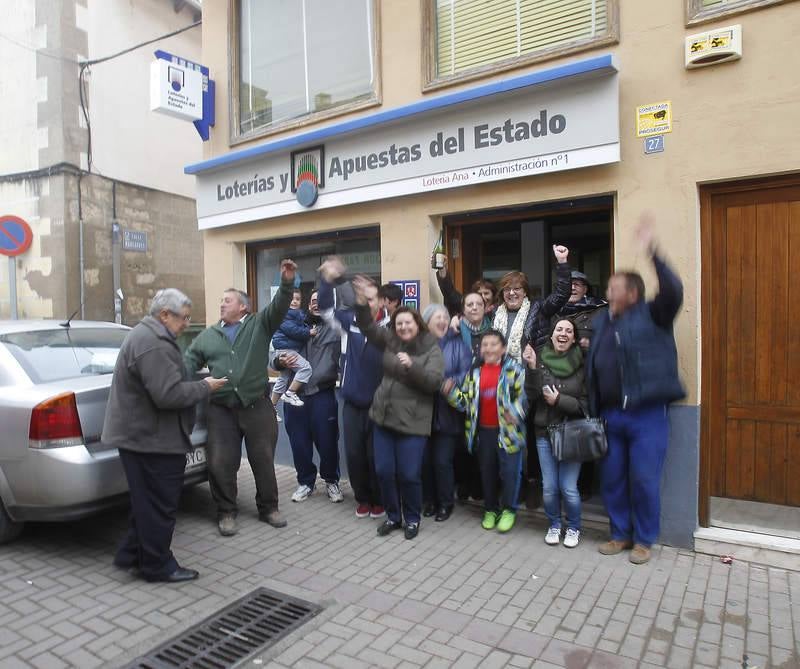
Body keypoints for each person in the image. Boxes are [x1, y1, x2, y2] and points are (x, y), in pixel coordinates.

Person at [104, 289, 227, 583]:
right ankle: (158, 566)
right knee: (161, 504)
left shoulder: (149, 336)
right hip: (151, 441)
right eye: (184, 318)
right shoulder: (152, 343)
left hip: (147, 437)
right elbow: (167, 395)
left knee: (147, 503)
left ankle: (132, 556)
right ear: (164, 315)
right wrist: (205, 387)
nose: (187, 323)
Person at [586, 213, 685, 565]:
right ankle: (619, 534)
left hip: (647, 413)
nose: (608, 291)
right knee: (612, 478)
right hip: (612, 413)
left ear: (633, 292)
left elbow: (673, 289)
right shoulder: (601, 321)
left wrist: (653, 251)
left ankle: (644, 539)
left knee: (643, 478)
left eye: (614, 286)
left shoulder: (655, 313)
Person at [185, 259, 297, 537]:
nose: (222, 305)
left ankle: (269, 508)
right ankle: (225, 512)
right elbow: (186, 364)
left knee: (263, 459)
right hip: (221, 409)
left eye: (227, 300)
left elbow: (280, 305)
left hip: (257, 404)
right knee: (221, 462)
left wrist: (286, 283)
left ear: (243, 307)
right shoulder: (208, 336)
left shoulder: (259, 324)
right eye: (221, 301)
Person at [353, 275, 445, 540]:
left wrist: (411, 366)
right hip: (383, 418)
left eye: (408, 322)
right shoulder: (391, 340)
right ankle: (394, 516)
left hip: (413, 423)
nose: (403, 326)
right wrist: (361, 302)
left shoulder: (431, 349)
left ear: (418, 324)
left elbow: (433, 383)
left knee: (409, 474)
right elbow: (367, 326)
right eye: (399, 323)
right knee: (383, 471)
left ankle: (412, 518)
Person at [493, 244, 571, 510]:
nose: (512, 293)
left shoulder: (537, 309)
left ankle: (534, 485)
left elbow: (561, 296)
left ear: (525, 292)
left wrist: (562, 263)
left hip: (529, 383)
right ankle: (512, 488)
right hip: (502, 385)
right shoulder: (496, 314)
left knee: (530, 436)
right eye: (507, 289)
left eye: (517, 288)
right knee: (507, 439)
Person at [318, 258, 388, 519]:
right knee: (355, 455)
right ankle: (363, 499)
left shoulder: (392, 327)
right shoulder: (349, 321)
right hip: (352, 403)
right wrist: (327, 280)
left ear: (381, 301)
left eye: (371, 299)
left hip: (380, 405)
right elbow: (325, 310)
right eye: (363, 298)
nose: (367, 303)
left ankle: (379, 499)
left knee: (376, 456)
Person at [445, 330, 527, 533]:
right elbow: (465, 403)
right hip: (483, 433)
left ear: (504, 348)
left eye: (493, 344)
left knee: (510, 474)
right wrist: (451, 393)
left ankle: (509, 510)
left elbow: (524, 398)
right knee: (487, 474)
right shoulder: (474, 374)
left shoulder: (514, 370)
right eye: (485, 345)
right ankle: (490, 509)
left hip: (508, 433)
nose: (488, 349)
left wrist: (514, 412)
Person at [523, 320, 588, 549]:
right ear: (551, 336)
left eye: (568, 331)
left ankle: (574, 527)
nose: (563, 333)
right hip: (544, 432)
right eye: (559, 330)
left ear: (573, 337)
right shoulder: (540, 361)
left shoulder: (583, 364)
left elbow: (585, 405)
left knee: (568, 487)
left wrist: (559, 400)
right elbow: (531, 394)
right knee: (549, 487)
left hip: (572, 432)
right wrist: (531, 368)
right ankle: (554, 524)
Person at [279, 290, 343, 504]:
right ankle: (306, 481)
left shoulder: (335, 329)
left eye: (321, 300)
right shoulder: (294, 327)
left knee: (328, 443)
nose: (316, 304)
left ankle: (331, 480)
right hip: (294, 395)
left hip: (322, 395)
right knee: (299, 443)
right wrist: (278, 362)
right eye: (312, 300)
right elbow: (273, 354)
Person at [556, 271, 608, 500]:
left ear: (586, 289)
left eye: (578, 285)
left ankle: (585, 484)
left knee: (583, 429)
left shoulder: (599, 312)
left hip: (585, 379)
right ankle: (557, 484)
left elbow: (607, 342)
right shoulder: (555, 310)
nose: (573, 288)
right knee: (555, 430)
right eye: (570, 285)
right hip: (558, 377)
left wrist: (590, 345)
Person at [421, 304, 472, 522]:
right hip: (422, 412)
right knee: (425, 461)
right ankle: (429, 500)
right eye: (437, 317)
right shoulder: (418, 345)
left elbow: (468, 370)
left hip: (447, 412)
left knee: (442, 461)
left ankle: (445, 503)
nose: (442, 321)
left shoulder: (459, 344)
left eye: (445, 317)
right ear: (426, 322)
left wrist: (454, 381)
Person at [269, 288, 314, 409]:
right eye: (291, 299)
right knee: (306, 368)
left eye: (298, 299)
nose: (294, 302)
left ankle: (272, 406)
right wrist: (309, 332)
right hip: (287, 349)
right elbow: (293, 331)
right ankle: (290, 393)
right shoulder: (284, 315)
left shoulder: (298, 315)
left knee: (283, 378)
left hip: (287, 348)